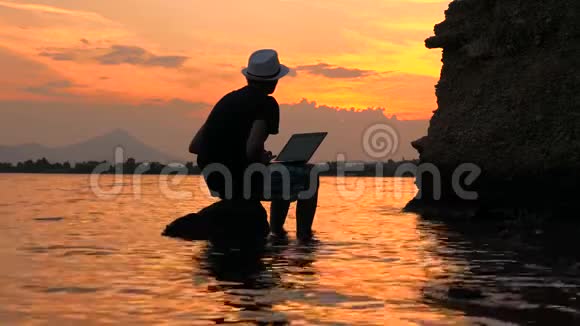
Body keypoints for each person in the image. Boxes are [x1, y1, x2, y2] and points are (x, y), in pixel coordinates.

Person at [189, 49, 319, 240]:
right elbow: (252, 149)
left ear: (249, 77)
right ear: (274, 80)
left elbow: (195, 146)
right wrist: (261, 157)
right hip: (242, 180)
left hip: (216, 180)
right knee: (310, 173)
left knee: (282, 175)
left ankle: (278, 233)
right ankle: (300, 236)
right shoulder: (266, 104)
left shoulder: (226, 100)